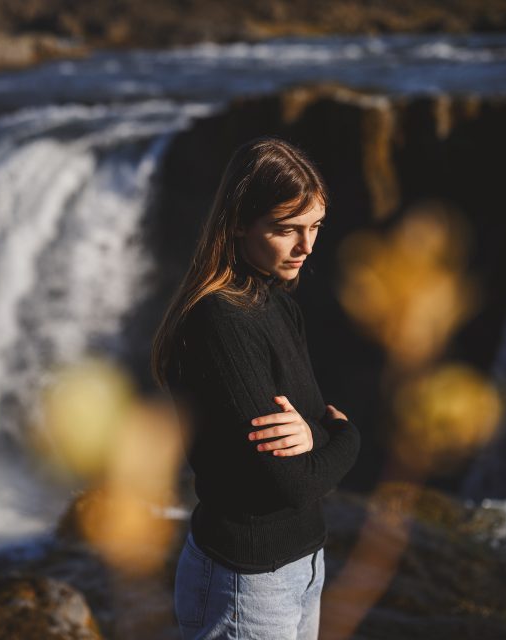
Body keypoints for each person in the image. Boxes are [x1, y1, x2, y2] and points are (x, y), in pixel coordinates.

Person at [151, 136, 361, 639]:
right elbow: (293, 481)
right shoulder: (218, 321)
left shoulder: (278, 300)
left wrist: (314, 435)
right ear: (239, 222)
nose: (306, 247)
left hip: (304, 564)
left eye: (314, 227)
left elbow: (309, 420)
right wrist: (346, 437)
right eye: (287, 229)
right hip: (247, 584)